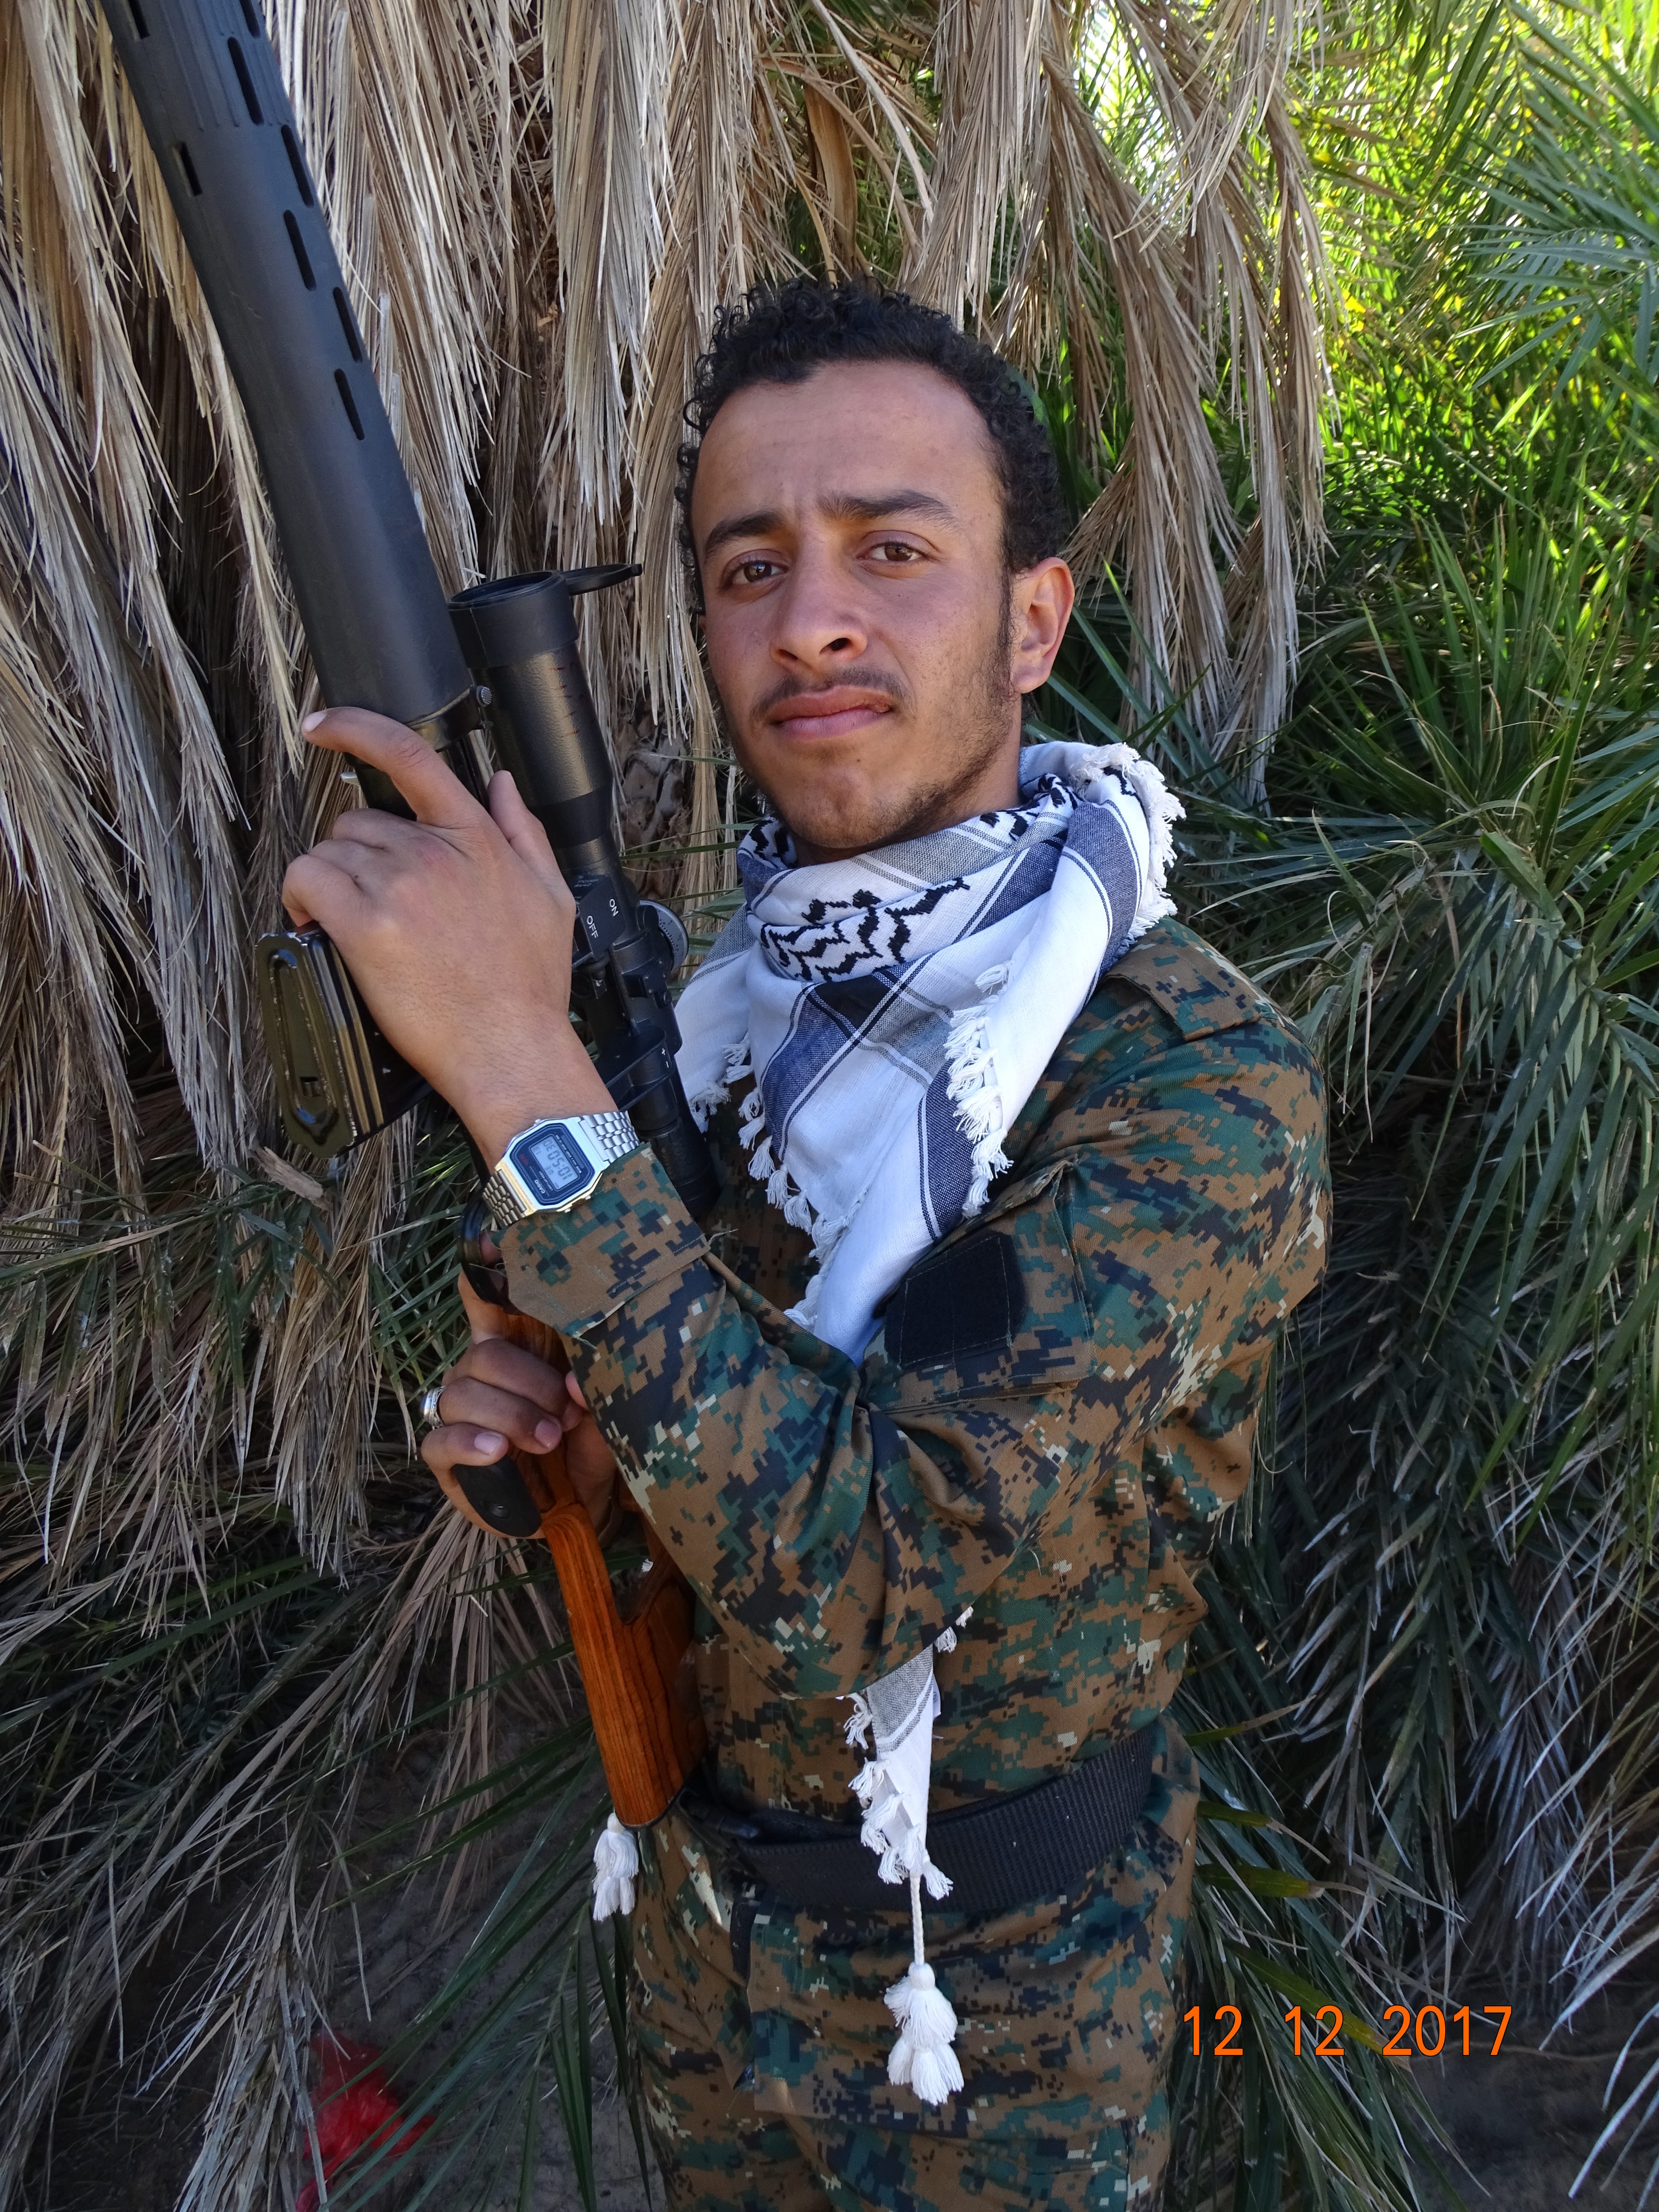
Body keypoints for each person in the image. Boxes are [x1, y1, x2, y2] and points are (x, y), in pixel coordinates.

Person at [282, 279, 1329, 2212]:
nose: (812, 619)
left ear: (1035, 620)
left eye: (892, 551)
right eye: (749, 567)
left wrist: (522, 1079)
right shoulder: (730, 1022)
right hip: (706, 1966)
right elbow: (680, 1431)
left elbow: (859, 1573)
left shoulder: (1187, 1088)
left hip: (997, 2035)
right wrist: (544, 1454)